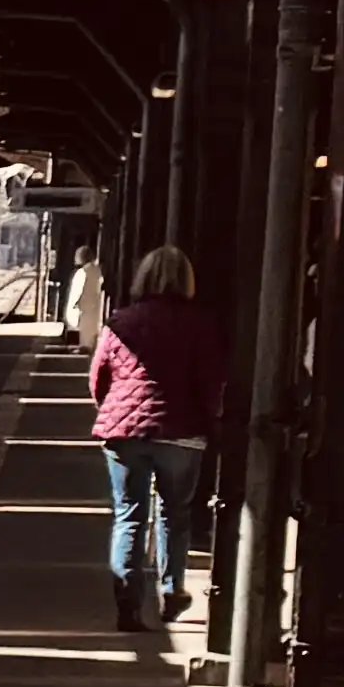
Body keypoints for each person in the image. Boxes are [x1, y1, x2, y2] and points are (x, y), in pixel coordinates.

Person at [90, 243, 228, 637]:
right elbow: (210, 381)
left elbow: (98, 377)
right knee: (175, 515)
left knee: (129, 514)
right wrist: (210, 421)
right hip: (182, 433)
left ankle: (128, 605)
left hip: (125, 435)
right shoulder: (200, 323)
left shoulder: (121, 321)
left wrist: (114, 412)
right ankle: (172, 593)